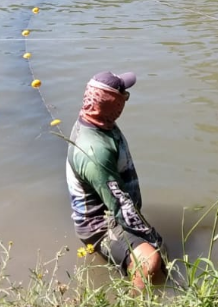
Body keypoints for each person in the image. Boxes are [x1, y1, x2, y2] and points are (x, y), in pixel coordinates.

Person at [65, 70, 166, 290]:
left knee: (162, 268)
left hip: (113, 207)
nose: (125, 101)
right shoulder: (94, 151)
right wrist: (150, 236)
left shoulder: (99, 121)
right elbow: (119, 205)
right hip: (100, 223)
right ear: (112, 104)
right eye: (124, 97)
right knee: (150, 262)